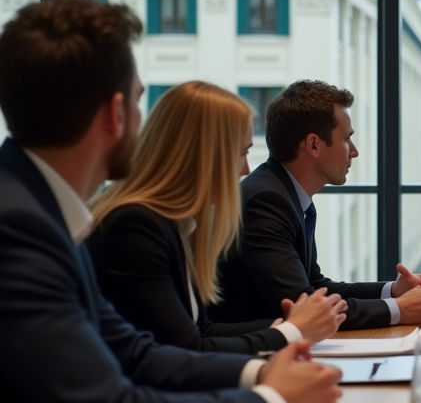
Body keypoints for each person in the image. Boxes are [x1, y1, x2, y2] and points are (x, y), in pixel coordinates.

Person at [0, 0, 341, 403]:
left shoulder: (39, 210)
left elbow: (134, 351)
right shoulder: (21, 227)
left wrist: (261, 374)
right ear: (116, 113)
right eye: (139, 99)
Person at [88, 81, 349, 353]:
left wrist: (292, 325)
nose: (246, 169)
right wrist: (292, 330)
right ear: (203, 155)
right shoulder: (135, 226)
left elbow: (203, 330)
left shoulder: (175, 222)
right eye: (241, 153)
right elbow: (188, 348)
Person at [214, 81, 421, 329]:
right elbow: (306, 306)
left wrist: (394, 291)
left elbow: (317, 286)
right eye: (347, 139)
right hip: (250, 356)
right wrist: (400, 309)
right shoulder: (266, 200)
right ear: (313, 145)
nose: (354, 152)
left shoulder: (285, 193)